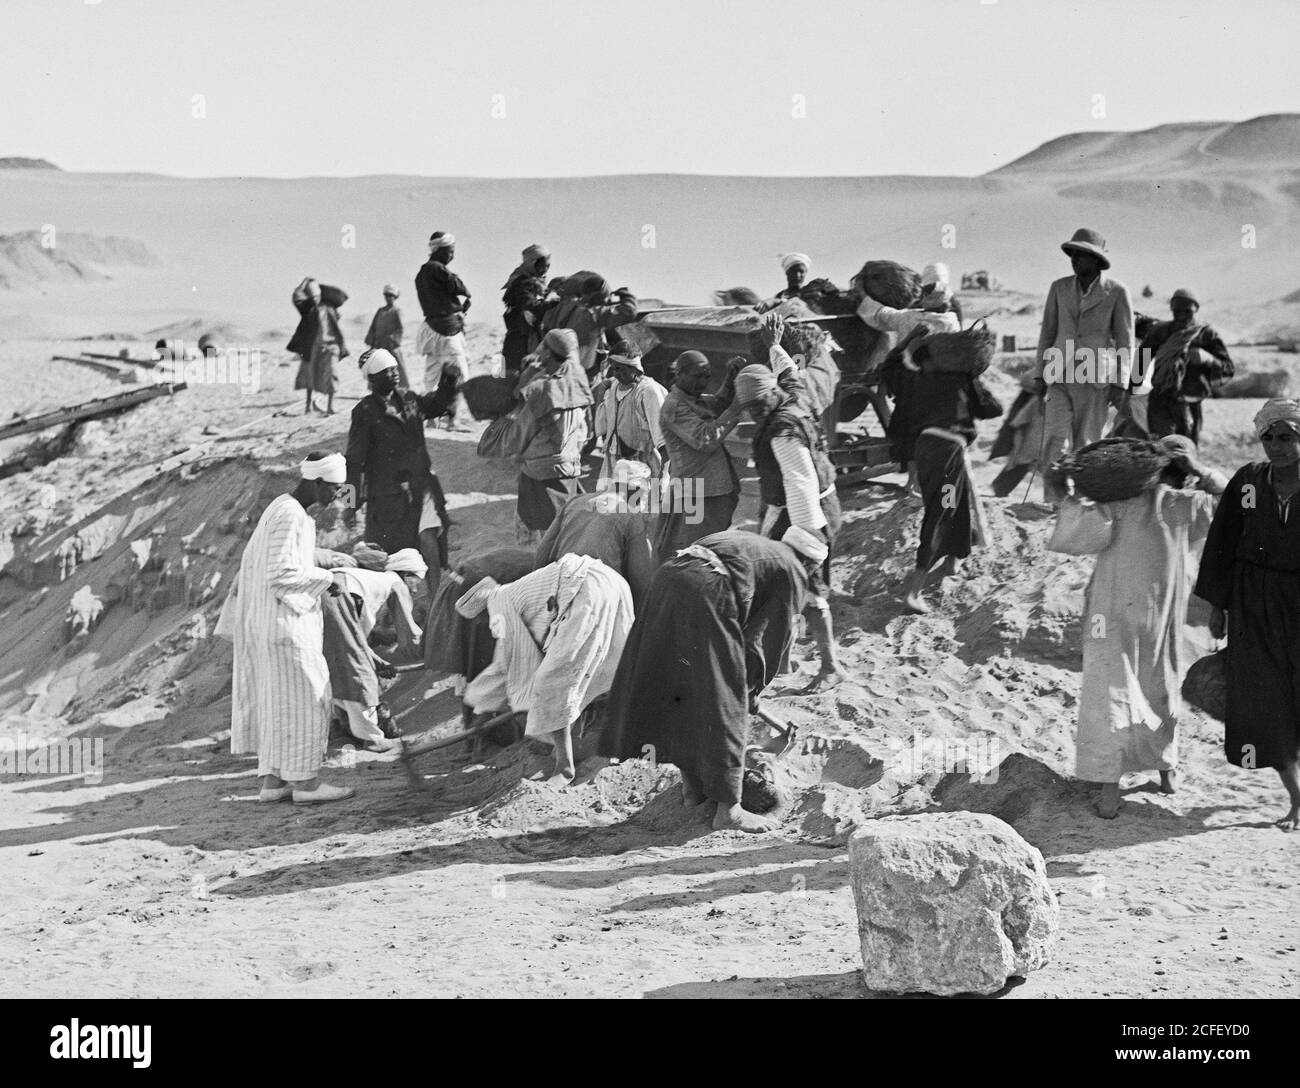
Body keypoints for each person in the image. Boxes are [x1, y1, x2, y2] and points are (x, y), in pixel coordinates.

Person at [600, 530, 811, 833]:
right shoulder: (793, 569)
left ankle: (693, 791)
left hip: (669, 579)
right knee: (726, 701)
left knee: (681, 687)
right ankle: (730, 811)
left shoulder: (754, 544)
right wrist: (751, 691)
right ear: (811, 564)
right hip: (708, 590)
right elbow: (765, 640)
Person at [1068, 439, 1227, 818]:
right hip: (1163, 616)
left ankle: (1109, 792)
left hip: (1110, 613)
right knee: (1160, 688)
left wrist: (1069, 491)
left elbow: (1075, 536)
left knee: (1111, 692)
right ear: (1181, 471)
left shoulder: (1117, 503)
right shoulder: (1186, 504)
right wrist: (1201, 469)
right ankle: (1166, 772)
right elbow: (1232, 498)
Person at [1194, 399, 1300, 831]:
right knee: (1264, 699)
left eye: (1287, 437)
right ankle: (1296, 797)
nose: (1276, 446)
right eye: (1269, 437)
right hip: (1253, 602)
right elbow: (1220, 543)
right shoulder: (1248, 481)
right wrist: (1218, 606)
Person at [226, 453, 355, 804]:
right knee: (310, 698)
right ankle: (306, 784)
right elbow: (280, 573)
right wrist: (328, 579)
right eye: (332, 488)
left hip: (275, 623)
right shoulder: (290, 514)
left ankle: (274, 781)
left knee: (280, 703)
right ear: (315, 482)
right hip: (286, 625)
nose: (335, 496)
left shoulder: (284, 509)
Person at [459, 553, 634, 784]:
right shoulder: (512, 592)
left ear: (481, 613)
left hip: (586, 589)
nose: (483, 624)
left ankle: (564, 766)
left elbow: (507, 663)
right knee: (604, 667)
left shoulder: (498, 605)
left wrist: (480, 713)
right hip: (611, 582)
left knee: (551, 681)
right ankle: (614, 743)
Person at [734, 354, 846, 690]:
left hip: (804, 515)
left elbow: (800, 482)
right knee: (785, 591)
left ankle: (830, 668)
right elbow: (790, 372)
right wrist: (775, 346)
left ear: (770, 392)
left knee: (804, 588)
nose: (753, 413)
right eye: (748, 408)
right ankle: (782, 661)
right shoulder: (795, 397)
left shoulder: (782, 431)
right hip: (824, 505)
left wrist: (805, 542)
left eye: (756, 405)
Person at [893, 338, 1003, 614]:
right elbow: (993, 409)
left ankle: (954, 559)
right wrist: (974, 380)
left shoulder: (918, 381)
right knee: (943, 511)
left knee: (955, 504)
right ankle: (913, 591)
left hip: (926, 450)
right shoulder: (961, 380)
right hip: (948, 453)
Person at [1031, 228, 1137, 502]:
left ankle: (1080, 502)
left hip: (1095, 377)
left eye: (1081, 254)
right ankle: (1053, 503)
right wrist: (1039, 374)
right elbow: (1048, 332)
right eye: (1072, 254)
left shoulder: (1117, 292)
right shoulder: (1059, 287)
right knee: (1055, 439)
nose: (1074, 259)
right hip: (1060, 373)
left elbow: (1126, 341)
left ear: (1095, 258)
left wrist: (1120, 383)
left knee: (1087, 443)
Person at [344, 348, 457, 595]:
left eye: (395, 369)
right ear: (372, 379)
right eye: (386, 371)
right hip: (388, 495)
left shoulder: (409, 399)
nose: (394, 374)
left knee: (429, 541)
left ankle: (436, 603)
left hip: (422, 487)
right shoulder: (364, 412)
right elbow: (353, 461)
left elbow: (436, 405)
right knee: (394, 558)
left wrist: (448, 382)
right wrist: (350, 503)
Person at [856, 283, 961, 494]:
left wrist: (862, 295)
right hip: (937, 389)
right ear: (945, 303)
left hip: (910, 388)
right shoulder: (951, 323)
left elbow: (882, 314)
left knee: (909, 435)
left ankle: (912, 482)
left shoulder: (908, 318)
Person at [536, 458, 659, 608]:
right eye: (645, 495)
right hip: (595, 594)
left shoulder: (575, 501)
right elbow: (641, 579)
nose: (644, 503)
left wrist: (540, 589)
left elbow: (543, 551)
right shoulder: (631, 516)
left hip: (559, 582)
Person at [657, 350, 745, 557]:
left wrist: (731, 379)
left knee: (707, 546)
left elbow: (718, 403)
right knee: (694, 552)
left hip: (708, 490)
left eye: (707, 376)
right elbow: (705, 439)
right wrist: (736, 407)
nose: (703, 382)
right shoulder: (675, 406)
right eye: (697, 376)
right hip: (696, 492)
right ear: (679, 374)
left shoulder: (693, 399)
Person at [512, 329, 593, 545]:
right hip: (570, 461)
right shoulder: (577, 375)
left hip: (541, 467)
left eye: (543, 347)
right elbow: (588, 426)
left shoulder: (543, 388)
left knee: (542, 530)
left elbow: (523, 430)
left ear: (548, 353)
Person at [1141, 288, 1234, 445]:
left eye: (1187, 311)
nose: (1182, 315)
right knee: (1159, 449)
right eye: (1177, 310)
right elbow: (1141, 362)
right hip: (1160, 399)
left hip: (1189, 401)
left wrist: (1208, 359)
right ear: (1171, 308)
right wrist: (1129, 394)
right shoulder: (1160, 332)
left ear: (1196, 309)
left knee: (1186, 451)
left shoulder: (1206, 335)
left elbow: (1228, 368)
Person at [593, 345, 668, 481]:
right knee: (610, 500)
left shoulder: (648, 391)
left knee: (643, 500)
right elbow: (602, 425)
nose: (616, 373)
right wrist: (602, 388)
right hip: (614, 461)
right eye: (613, 368)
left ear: (635, 369)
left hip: (642, 464)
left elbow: (662, 435)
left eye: (620, 369)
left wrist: (664, 471)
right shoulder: (614, 386)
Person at [542, 274, 638, 379]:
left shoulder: (563, 308)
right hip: (582, 375)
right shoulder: (595, 314)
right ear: (600, 297)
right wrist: (626, 295)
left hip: (558, 368)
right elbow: (629, 312)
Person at [414, 230, 470, 407]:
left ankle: (429, 415)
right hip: (447, 331)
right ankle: (453, 418)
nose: (452, 256)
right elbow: (458, 286)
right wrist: (465, 294)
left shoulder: (422, 273)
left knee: (432, 375)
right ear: (439, 250)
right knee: (460, 373)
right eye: (450, 251)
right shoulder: (437, 269)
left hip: (431, 328)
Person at [287, 278, 349, 415]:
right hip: (313, 348)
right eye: (312, 297)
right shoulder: (307, 310)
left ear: (320, 295)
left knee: (332, 375)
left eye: (316, 296)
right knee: (310, 376)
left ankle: (330, 407)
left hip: (331, 347)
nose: (314, 299)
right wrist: (303, 283)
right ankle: (308, 406)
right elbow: (296, 297)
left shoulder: (330, 309)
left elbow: (342, 297)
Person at [502, 244, 552, 379]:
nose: (545, 270)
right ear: (532, 263)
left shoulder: (536, 283)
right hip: (521, 339)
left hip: (530, 337)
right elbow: (529, 305)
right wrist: (553, 304)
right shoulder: (522, 283)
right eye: (542, 266)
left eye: (548, 266)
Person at [364, 284, 409, 390]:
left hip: (391, 346)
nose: (388, 298)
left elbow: (400, 329)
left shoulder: (397, 311)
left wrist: (391, 340)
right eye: (387, 295)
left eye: (391, 296)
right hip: (379, 345)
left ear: (395, 297)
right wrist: (371, 340)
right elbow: (373, 326)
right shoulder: (380, 311)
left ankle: (400, 389)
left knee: (395, 367)